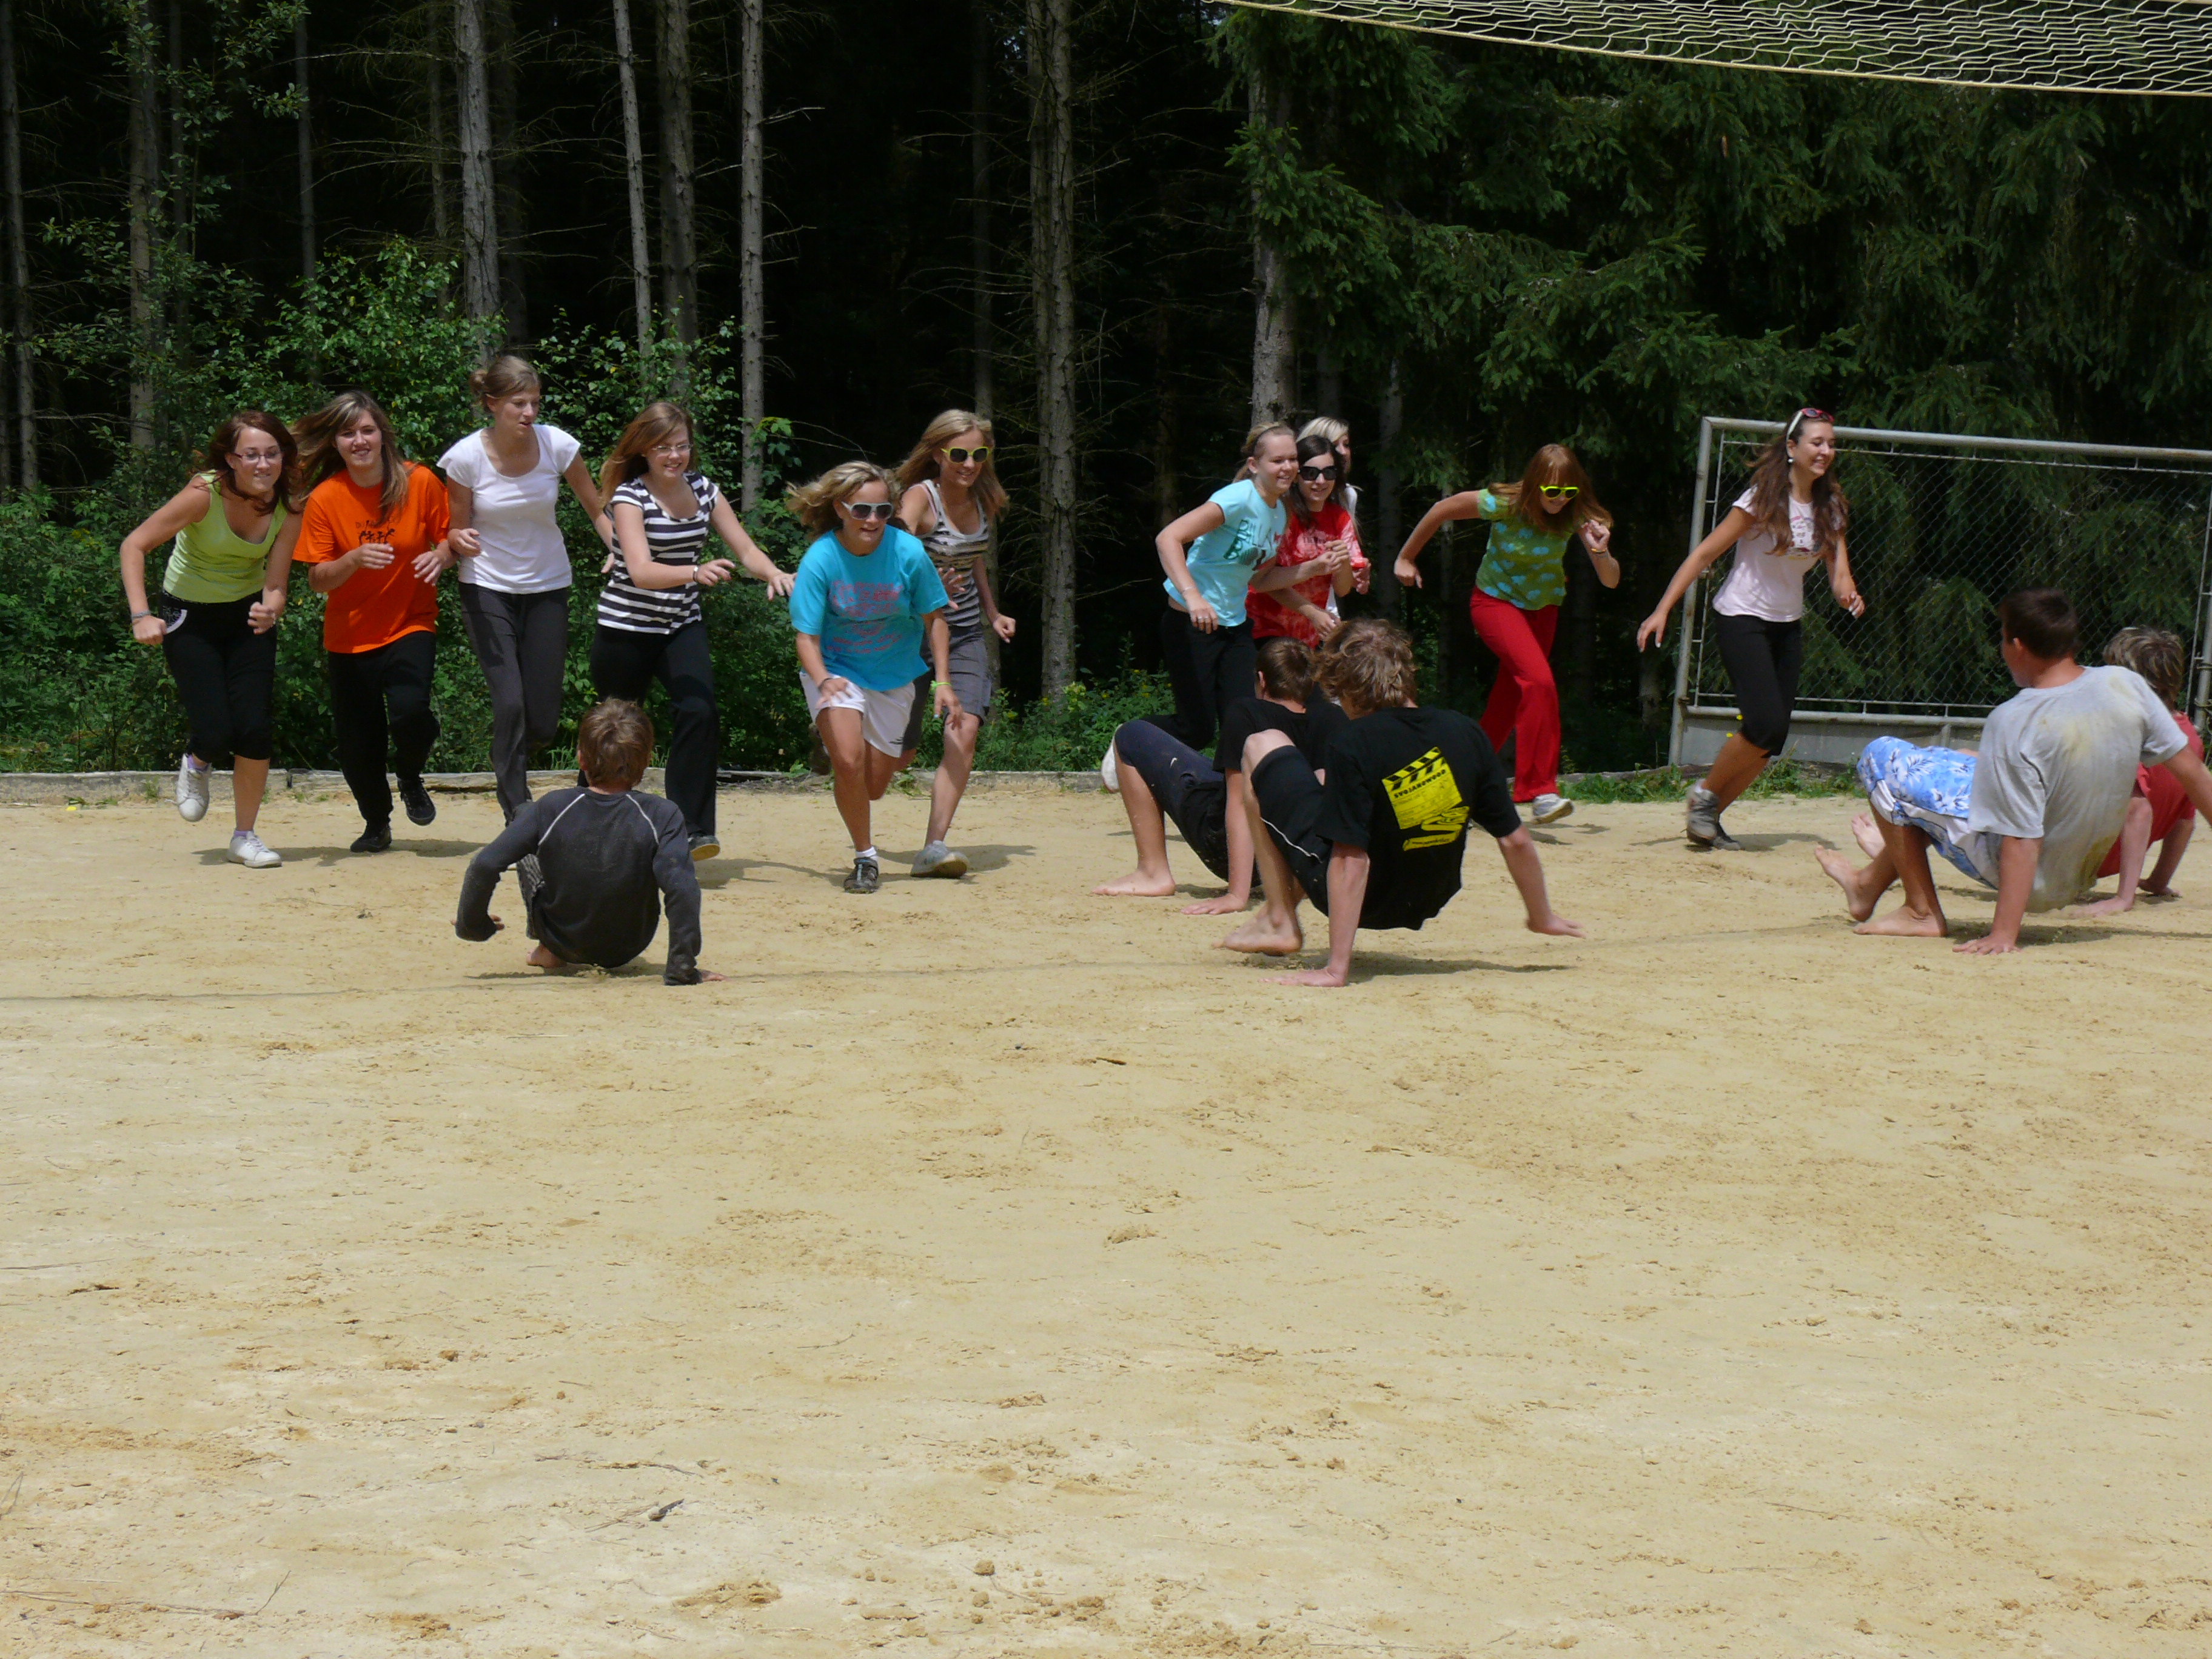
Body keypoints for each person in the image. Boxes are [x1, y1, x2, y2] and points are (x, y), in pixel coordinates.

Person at [1814, 589, 2212, 952]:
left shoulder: (2014, 718)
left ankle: (1920, 912)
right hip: (2079, 874)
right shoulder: (2125, 685)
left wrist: (2004, 933)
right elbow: (2195, 776)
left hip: (2030, 880)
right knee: (1938, 764)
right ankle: (1866, 884)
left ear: (2017, 645)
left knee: (1882, 756)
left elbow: (2022, 836)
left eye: (2003, 640)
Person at [1221, 618, 1584, 987]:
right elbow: (1515, 839)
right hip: (1429, 896)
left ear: (1346, 687)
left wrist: (1336, 969)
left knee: (1261, 743)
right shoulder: (1466, 732)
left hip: (1367, 902)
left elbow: (1350, 860)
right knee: (1327, 786)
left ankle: (1280, 919)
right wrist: (1542, 916)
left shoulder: (1354, 741)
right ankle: (1278, 918)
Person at [1638, 407, 1864, 850]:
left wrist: (1848, 595)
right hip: (1742, 616)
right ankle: (1704, 795)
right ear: (1792, 447)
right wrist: (1662, 609)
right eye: (1817, 442)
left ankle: (1708, 817)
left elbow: (1841, 576)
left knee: (1773, 736)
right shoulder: (1762, 499)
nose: (1826, 451)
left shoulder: (1831, 507)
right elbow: (1704, 554)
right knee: (1762, 722)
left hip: (1787, 625)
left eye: (1831, 444)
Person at [594, 401, 794, 862]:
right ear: (644, 450)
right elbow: (641, 571)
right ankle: (595, 820)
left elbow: (745, 549)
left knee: (700, 711)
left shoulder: (705, 490)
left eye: (682, 446)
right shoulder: (629, 497)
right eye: (664, 447)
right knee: (615, 730)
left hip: (680, 624)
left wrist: (774, 573)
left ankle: (691, 829)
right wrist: (693, 571)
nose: (675, 456)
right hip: (625, 628)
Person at [1395, 444, 1617, 826]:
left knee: (1506, 705)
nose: (1560, 499)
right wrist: (1406, 557)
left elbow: (1610, 580)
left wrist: (1600, 552)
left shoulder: (1577, 514)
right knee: (1539, 682)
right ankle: (1540, 790)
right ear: (1534, 485)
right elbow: (1442, 509)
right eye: (1552, 491)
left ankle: (1456, 789)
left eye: (1568, 491)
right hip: (1494, 604)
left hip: (1542, 613)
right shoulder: (1504, 503)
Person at [116, 411, 301, 868]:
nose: (263, 464)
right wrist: (141, 615)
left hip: (247, 615)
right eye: (251, 455)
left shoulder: (290, 504)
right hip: (190, 614)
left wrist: (272, 608)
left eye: (272, 454)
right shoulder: (204, 494)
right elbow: (134, 545)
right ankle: (198, 761)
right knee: (216, 731)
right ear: (232, 460)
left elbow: (277, 582)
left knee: (254, 727)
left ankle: (244, 837)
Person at [440, 355, 613, 822]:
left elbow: (596, 509)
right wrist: (456, 540)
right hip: (486, 586)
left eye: (535, 402)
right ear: (492, 403)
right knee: (510, 703)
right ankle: (518, 811)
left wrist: (622, 551)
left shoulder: (558, 445)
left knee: (542, 720)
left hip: (548, 585)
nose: (529, 412)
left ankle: (512, 752)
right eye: (519, 403)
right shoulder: (464, 458)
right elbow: (457, 529)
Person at [454, 699, 717, 984]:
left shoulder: (552, 807)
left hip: (561, 940)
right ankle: (557, 947)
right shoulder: (664, 814)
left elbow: (484, 864)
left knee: (525, 821)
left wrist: (473, 926)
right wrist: (682, 968)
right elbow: (683, 890)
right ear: (647, 760)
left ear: (581, 759)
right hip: (630, 944)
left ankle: (546, 949)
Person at [293, 391, 454, 854]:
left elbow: (451, 537)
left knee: (412, 712)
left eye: (367, 430)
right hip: (350, 636)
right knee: (358, 745)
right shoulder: (326, 498)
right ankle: (377, 823)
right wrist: (354, 559)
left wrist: (442, 556)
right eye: (348, 434)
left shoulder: (418, 481)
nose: (359, 441)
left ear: (383, 434)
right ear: (336, 443)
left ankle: (410, 775)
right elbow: (317, 579)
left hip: (411, 623)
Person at [786, 461, 956, 894]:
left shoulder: (908, 553)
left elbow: (935, 619)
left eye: (883, 510)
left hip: (894, 674)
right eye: (862, 510)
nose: (873, 520)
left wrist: (943, 681)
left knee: (874, 786)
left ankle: (833, 743)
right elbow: (806, 638)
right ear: (840, 509)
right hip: (836, 669)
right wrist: (823, 679)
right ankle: (865, 858)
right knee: (848, 762)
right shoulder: (822, 558)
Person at [1094, 637, 1346, 906]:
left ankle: (1152, 872)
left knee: (1131, 735)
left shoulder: (1248, 713)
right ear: (1310, 683)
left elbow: (1239, 803)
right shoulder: (1333, 717)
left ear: (1262, 680)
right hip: (1301, 854)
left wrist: (1237, 895)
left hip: (1232, 852)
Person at [891, 409, 1015, 878]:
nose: (970, 464)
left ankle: (934, 847)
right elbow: (891, 553)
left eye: (979, 454)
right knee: (898, 758)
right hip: (909, 635)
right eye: (960, 454)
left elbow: (975, 559)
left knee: (964, 731)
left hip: (963, 633)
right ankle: (833, 736)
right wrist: (925, 582)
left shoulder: (983, 499)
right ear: (938, 454)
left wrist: (993, 612)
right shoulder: (920, 498)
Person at [1146, 421, 1299, 754]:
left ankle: (1233, 787)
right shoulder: (1237, 499)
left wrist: (1314, 569)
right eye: (1278, 460)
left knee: (1243, 724)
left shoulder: (1279, 512)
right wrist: (1194, 597)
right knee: (1196, 730)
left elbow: (1259, 579)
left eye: (1293, 459)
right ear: (1254, 465)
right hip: (1191, 624)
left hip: (1234, 626)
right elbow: (1168, 538)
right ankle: (1128, 740)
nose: (1287, 467)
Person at [2083, 626, 2202, 913]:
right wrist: (2158, 881)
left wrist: (2124, 898)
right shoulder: (2190, 739)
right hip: (2116, 862)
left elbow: (2137, 809)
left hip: (2077, 862)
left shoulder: (2131, 732)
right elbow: (2184, 821)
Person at [1248, 434, 1367, 649]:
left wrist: (1342, 563)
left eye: (1329, 472)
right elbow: (1265, 581)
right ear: (1296, 476)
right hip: (1264, 627)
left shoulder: (1340, 518)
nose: (1320, 481)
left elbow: (1342, 590)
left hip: (1307, 635)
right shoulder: (1281, 514)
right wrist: (1313, 611)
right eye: (1311, 473)